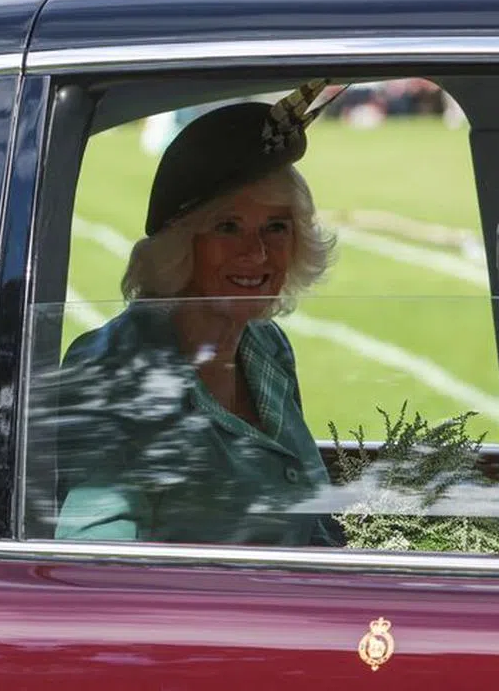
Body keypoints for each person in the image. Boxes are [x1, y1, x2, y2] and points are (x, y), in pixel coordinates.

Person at [52, 82, 339, 545]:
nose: (258, 252)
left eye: (277, 227)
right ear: (180, 244)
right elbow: (96, 561)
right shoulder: (115, 370)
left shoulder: (265, 345)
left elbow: (307, 519)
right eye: (228, 227)